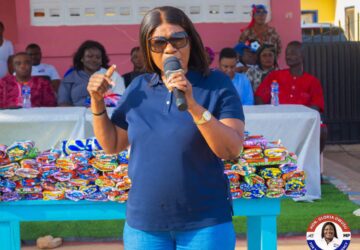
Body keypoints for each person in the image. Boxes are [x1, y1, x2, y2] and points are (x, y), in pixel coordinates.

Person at [87, 6, 245, 250]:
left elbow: (231, 149)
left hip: (205, 223)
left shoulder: (216, 84)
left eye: (178, 39)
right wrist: (97, 102)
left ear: (191, 41)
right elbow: (112, 144)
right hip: (145, 226)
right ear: (148, 50)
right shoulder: (138, 87)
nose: (170, 48)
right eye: (159, 43)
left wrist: (192, 105)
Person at [255, 41, 327, 154]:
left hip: (303, 123)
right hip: (277, 120)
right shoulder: (275, 76)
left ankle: (312, 161)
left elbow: (316, 107)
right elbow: (259, 97)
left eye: (293, 53)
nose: (288, 56)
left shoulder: (312, 81)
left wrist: (299, 119)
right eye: (287, 53)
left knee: (322, 130)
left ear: (302, 55)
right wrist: (267, 114)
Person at [58, 40, 125, 106]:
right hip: (76, 115)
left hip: (105, 115)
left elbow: (121, 101)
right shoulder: (70, 78)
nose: (94, 60)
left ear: (102, 60)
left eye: (98, 57)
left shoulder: (113, 76)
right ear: (82, 58)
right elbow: (63, 103)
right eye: (89, 56)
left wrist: (99, 102)